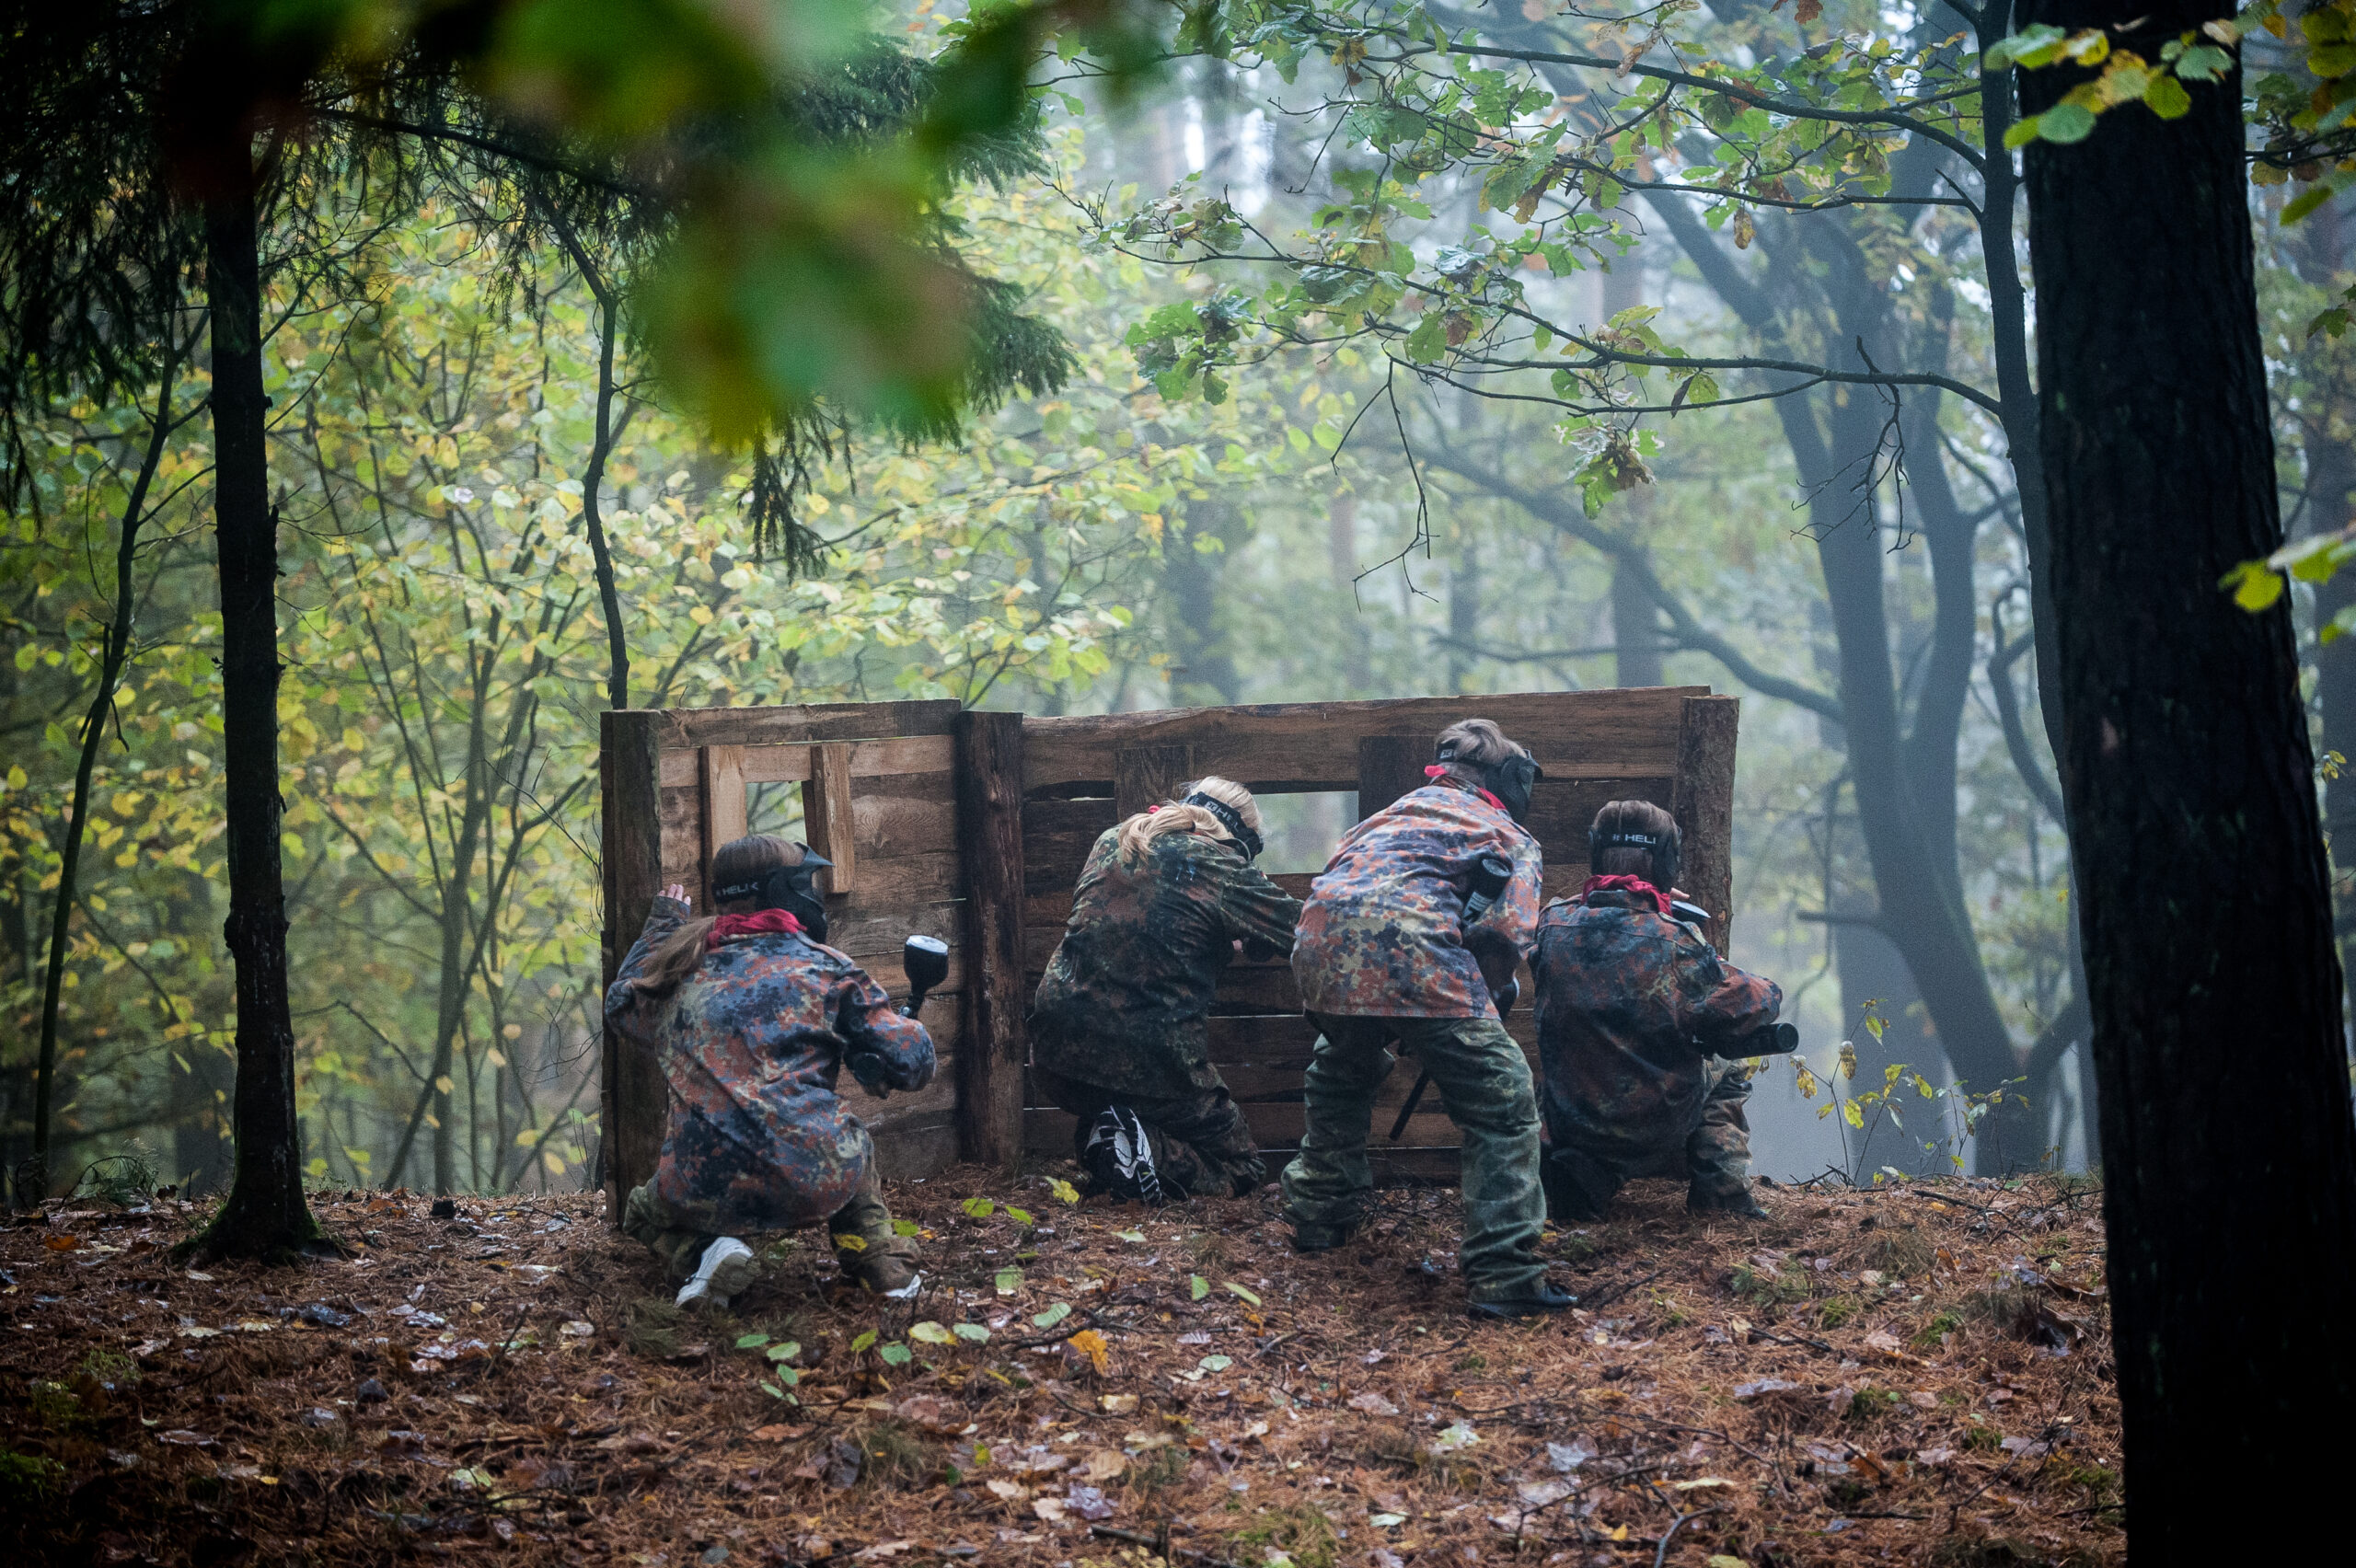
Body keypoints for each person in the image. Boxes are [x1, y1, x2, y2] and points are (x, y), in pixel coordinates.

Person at [1282, 719, 1571, 1320]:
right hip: (1418, 957)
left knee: (1343, 1066)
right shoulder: (1504, 832)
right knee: (1504, 1102)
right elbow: (1504, 931)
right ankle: (1506, 1275)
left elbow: (1342, 886)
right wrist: (1489, 990)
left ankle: (1319, 1219)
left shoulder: (1385, 818)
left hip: (1319, 953)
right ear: (1507, 780)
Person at [605, 834, 934, 1309]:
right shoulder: (827, 969)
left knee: (641, 1211)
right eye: (807, 883)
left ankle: (707, 1251)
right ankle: (879, 1262)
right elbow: (913, 1063)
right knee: (850, 1138)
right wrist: (897, 1031)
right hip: (812, 1178)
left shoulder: (677, 973)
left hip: (701, 1187)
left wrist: (660, 928)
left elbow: (621, 1004)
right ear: (785, 891)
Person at [1031, 778, 1302, 1204]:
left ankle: (1121, 1144)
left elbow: (1147, 927)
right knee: (1242, 1168)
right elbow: (1307, 931)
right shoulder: (1221, 865)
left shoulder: (1115, 840)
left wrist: (1220, 938)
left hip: (1054, 1058)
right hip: (1150, 1063)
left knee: (1105, 1120)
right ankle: (1147, 1152)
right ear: (1237, 840)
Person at [1531, 800, 1784, 1222]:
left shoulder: (1552, 926)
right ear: (1667, 862)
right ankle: (1721, 1194)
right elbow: (1757, 1001)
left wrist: (1626, 898)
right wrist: (1663, 913)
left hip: (1570, 1120)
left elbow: (1572, 921)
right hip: (1652, 1126)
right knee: (1726, 1067)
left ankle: (1588, 1175)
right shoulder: (1676, 942)